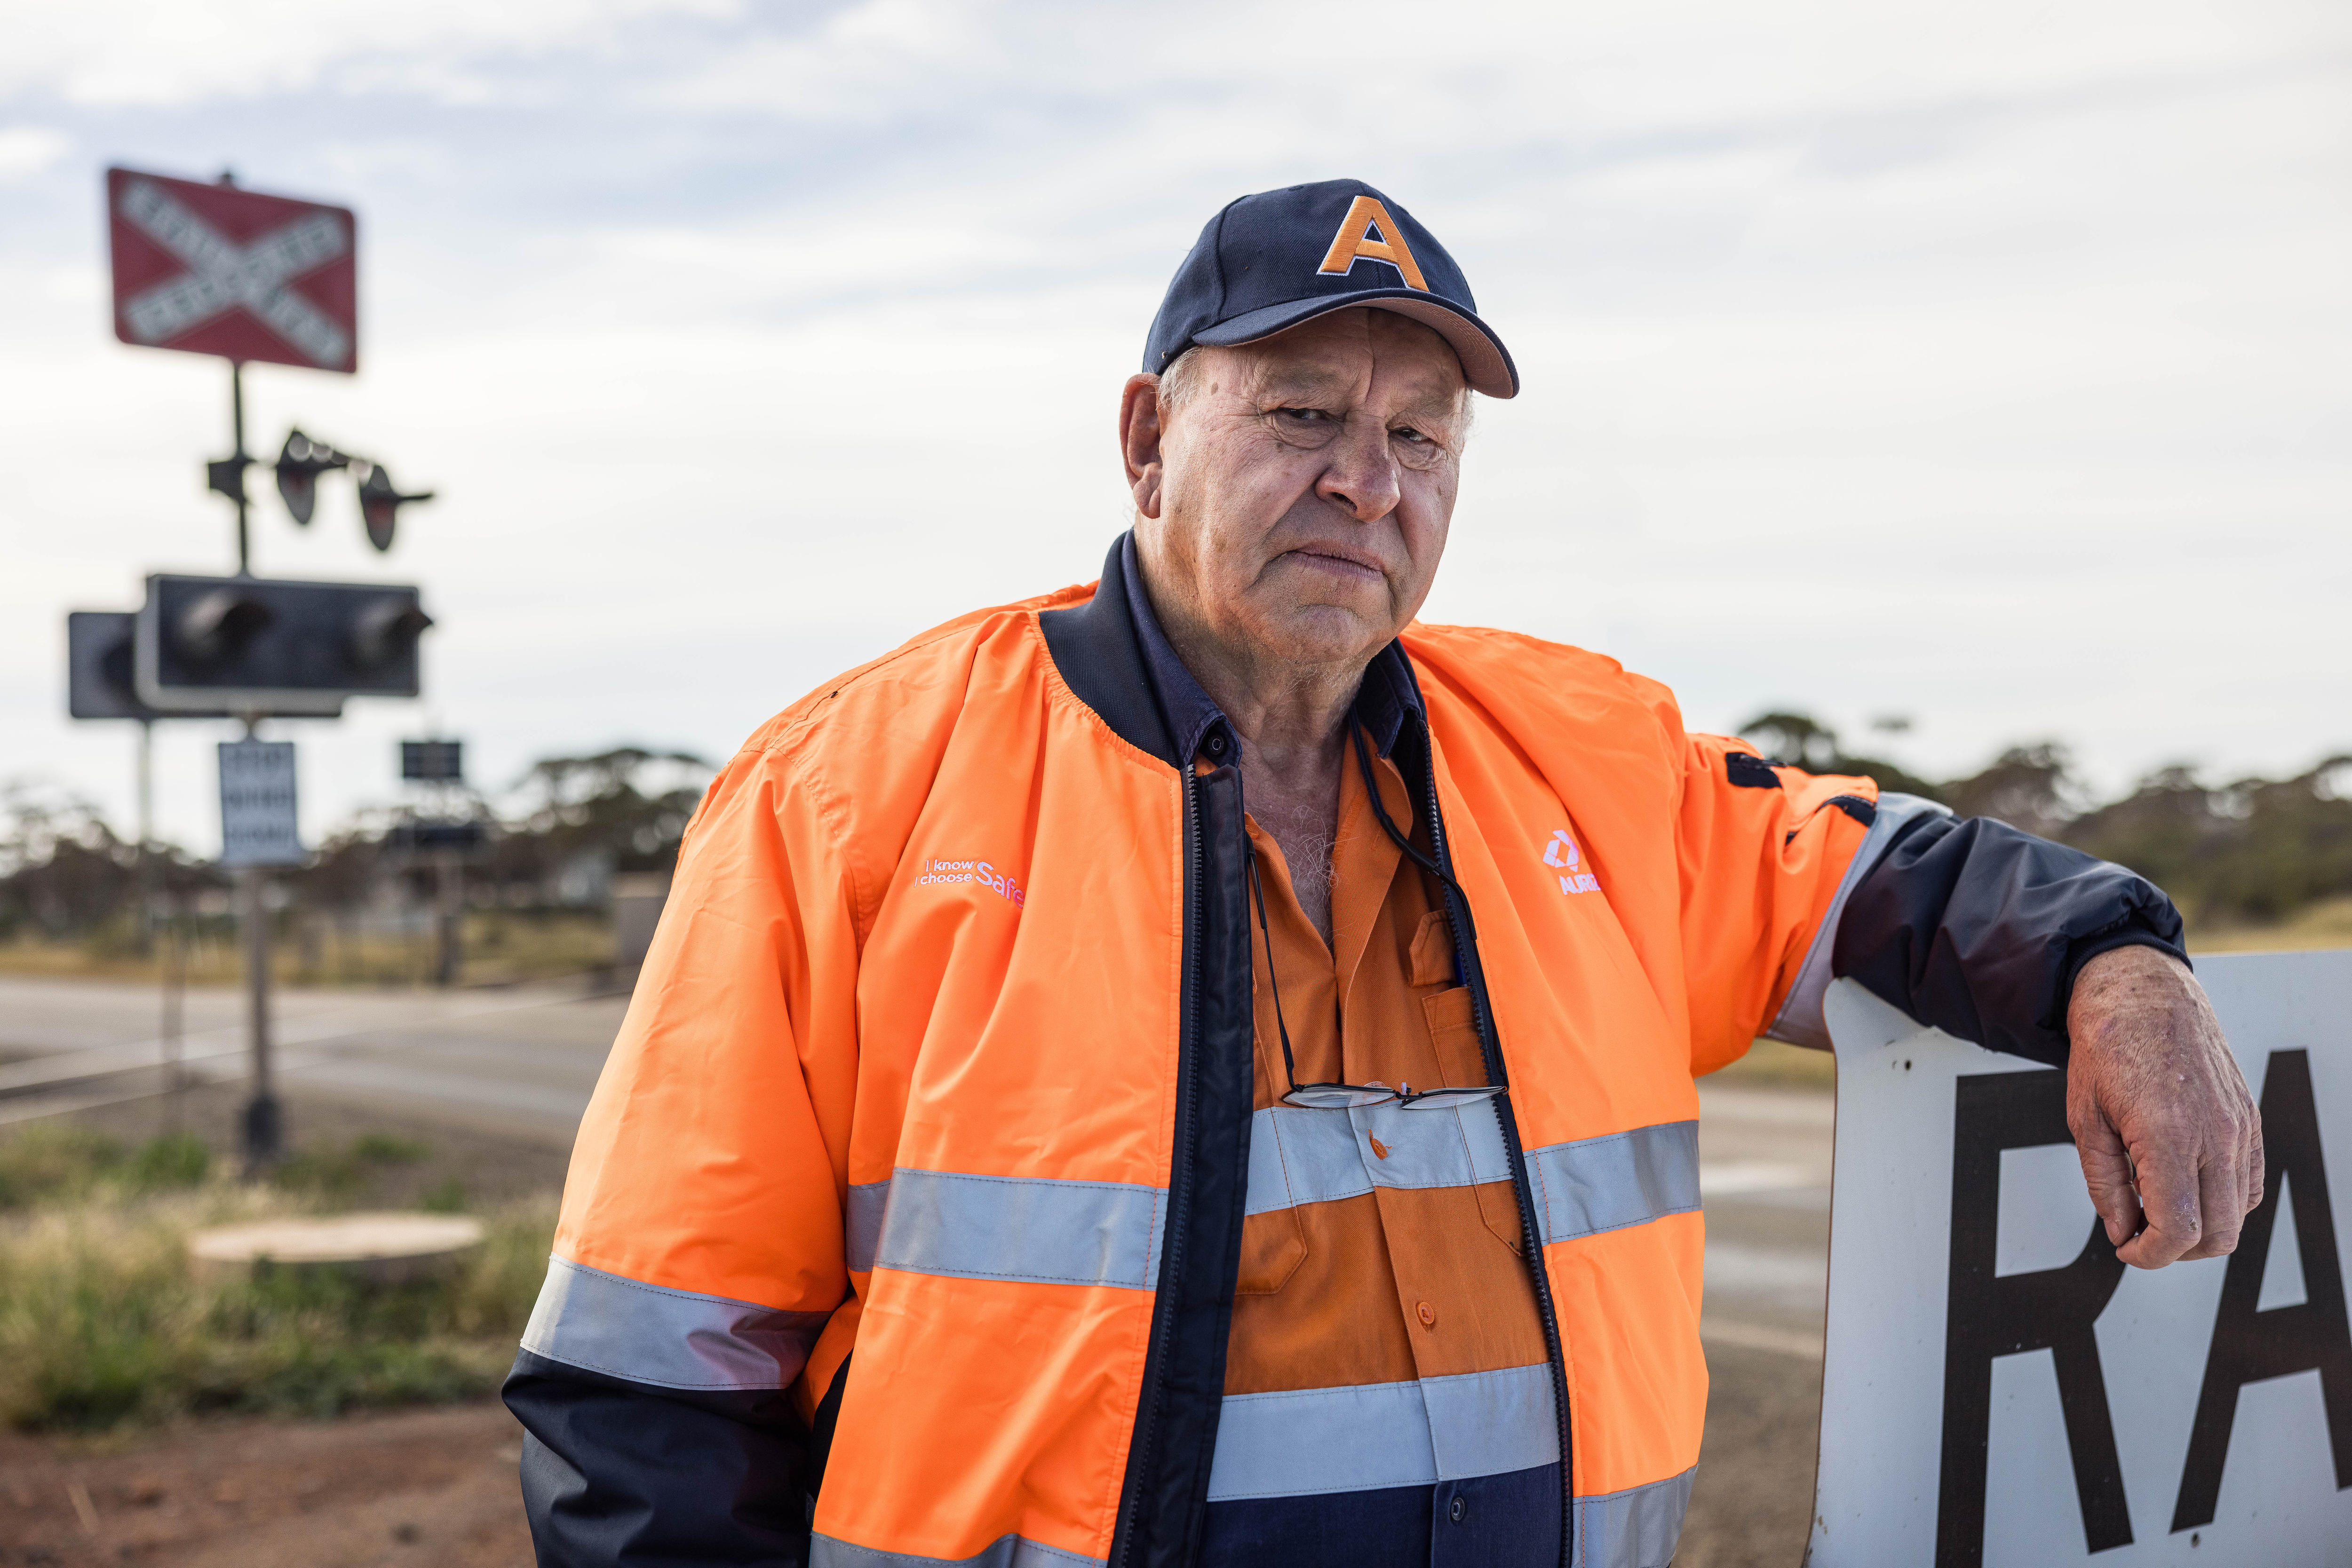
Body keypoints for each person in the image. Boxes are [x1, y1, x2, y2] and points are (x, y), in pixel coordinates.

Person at [504, 179, 2262, 1568]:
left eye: (1421, 438)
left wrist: (2120, 965)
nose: (1367, 481)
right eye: (1299, 413)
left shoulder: (1586, 763)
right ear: (1145, 442)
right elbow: (646, 1378)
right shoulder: (848, 791)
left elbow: (1882, 879)